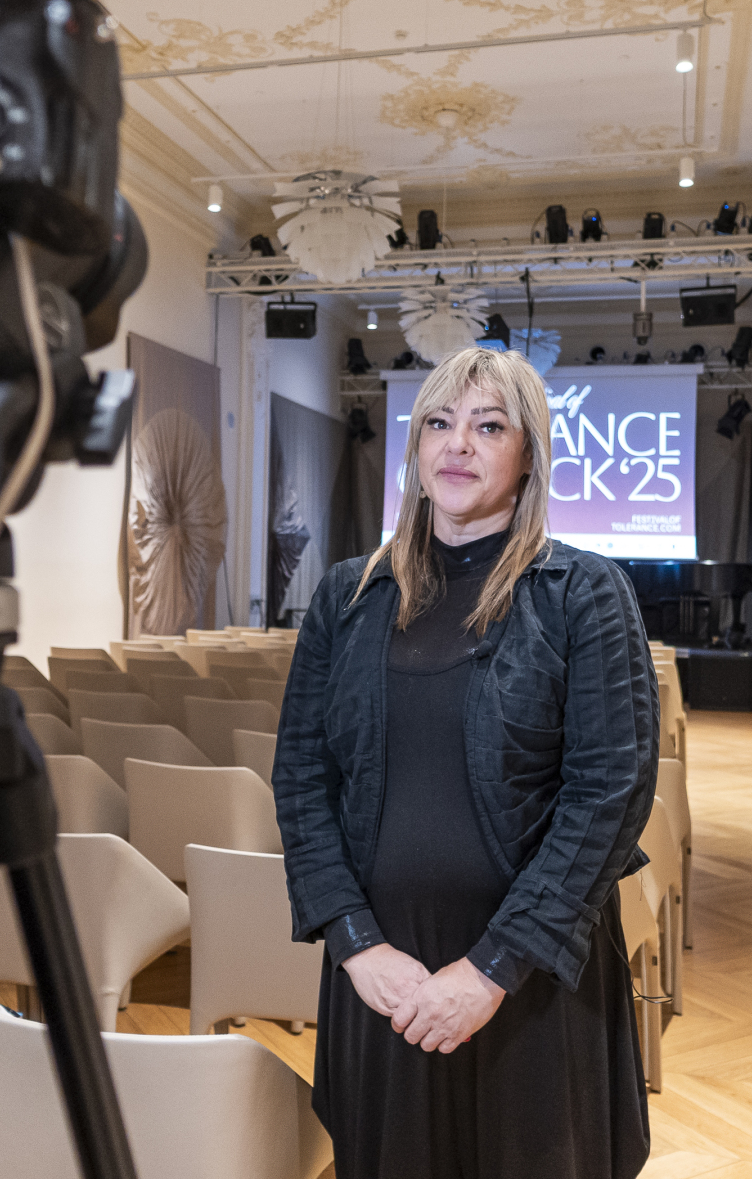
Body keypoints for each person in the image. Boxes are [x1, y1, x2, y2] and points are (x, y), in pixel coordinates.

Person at [274, 347, 659, 1179]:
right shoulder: (346, 596)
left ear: (528, 456)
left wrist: (491, 970)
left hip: (533, 983)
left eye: (489, 427)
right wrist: (354, 943)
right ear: (415, 450)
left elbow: (611, 793)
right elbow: (302, 779)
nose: (458, 444)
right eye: (439, 424)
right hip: (383, 982)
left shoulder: (584, 592)